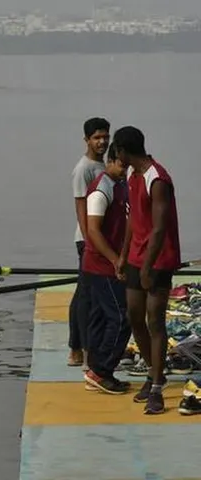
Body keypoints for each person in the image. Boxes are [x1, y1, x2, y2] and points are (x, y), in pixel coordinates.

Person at [115, 126, 181, 415]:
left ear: (124, 151)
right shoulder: (132, 175)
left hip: (158, 259)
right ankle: (156, 371)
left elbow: (159, 228)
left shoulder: (158, 179)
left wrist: (147, 266)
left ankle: (156, 388)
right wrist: (123, 254)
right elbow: (133, 220)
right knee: (134, 316)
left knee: (155, 321)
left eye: (117, 150)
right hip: (135, 256)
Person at [82, 142, 132, 394]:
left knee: (101, 318)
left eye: (128, 166)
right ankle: (101, 371)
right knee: (122, 318)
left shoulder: (120, 184)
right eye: (122, 165)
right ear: (111, 160)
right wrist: (116, 260)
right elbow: (93, 231)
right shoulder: (101, 189)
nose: (125, 170)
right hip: (101, 265)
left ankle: (95, 368)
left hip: (111, 262)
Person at [68, 117, 110, 369]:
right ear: (86, 140)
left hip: (99, 240)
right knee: (85, 296)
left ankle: (80, 347)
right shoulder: (83, 168)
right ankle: (79, 349)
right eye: (96, 137)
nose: (102, 141)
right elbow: (80, 207)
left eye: (105, 136)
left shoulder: (102, 165)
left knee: (86, 293)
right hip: (87, 241)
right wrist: (90, 242)